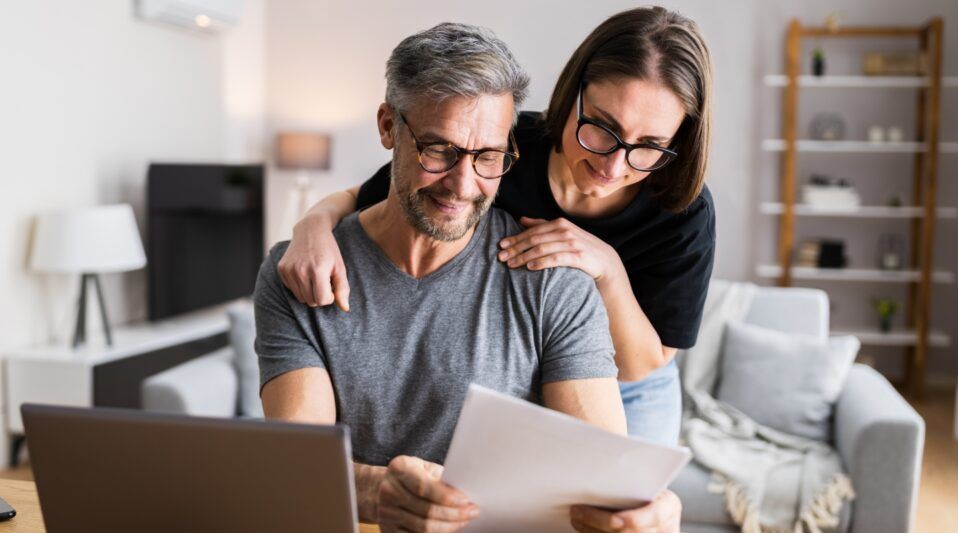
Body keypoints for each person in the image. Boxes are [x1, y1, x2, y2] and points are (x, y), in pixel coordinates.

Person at [279, 5, 714, 449]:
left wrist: (607, 267)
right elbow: (367, 196)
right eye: (602, 128)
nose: (613, 164)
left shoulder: (683, 209)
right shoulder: (497, 145)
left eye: (649, 146)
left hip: (632, 386)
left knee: (626, 508)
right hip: (536, 364)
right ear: (572, 94)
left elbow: (643, 364)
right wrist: (312, 226)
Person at [255, 23, 630, 533]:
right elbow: (296, 466)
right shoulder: (300, 273)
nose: (462, 184)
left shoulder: (553, 283)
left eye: (488, 157)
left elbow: (604, 478)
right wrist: (378, 492)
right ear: (388, 126)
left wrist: (644, 510)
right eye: (438, 149)